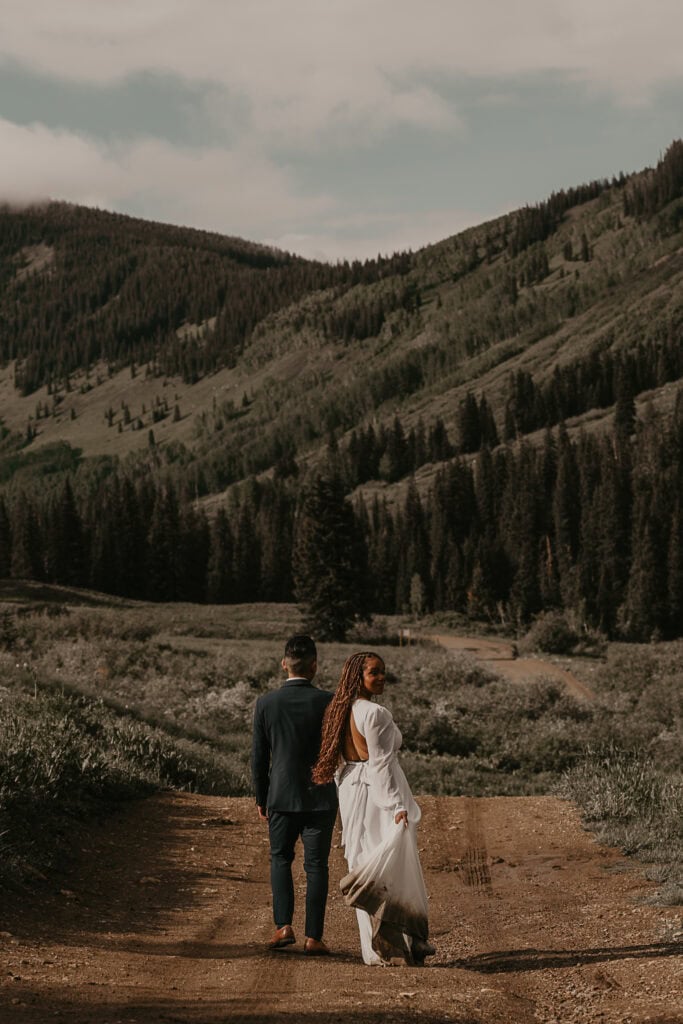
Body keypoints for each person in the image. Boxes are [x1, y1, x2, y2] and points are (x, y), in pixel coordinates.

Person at [312, 652, 435, 966]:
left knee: (364, 858)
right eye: (374, 673)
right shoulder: (376, 713)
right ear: (358, 677)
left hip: (351, 787)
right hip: (376, 793)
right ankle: (407, 938)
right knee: (395, 861)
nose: (382, 678)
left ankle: (373, 948)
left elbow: (341, 762)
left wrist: (347, 793)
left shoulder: (338, 710)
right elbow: (379, 764)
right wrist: (395, 805)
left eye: (383, 672)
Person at [251, 634, 338, 955]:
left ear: (284, 664)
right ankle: (314, 937)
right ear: (314, 665)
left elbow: (259, 758)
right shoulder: (330, 701)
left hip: (281, 795)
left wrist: (261, 797)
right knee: (316, 866)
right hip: (321, 796)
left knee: (280, 859)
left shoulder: (266, 703)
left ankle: (283, 926)